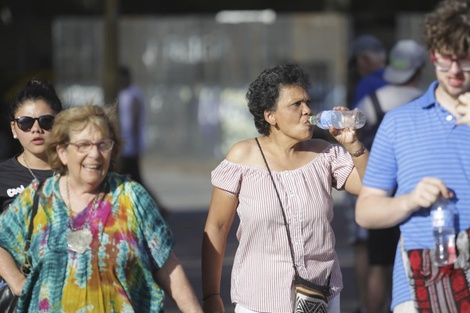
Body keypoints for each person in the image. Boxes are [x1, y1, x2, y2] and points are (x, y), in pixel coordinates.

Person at [0, 104, 203, 313]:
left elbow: (168, 267)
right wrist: (17, 282)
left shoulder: (131, 197)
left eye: (103, 145)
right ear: (61, 151)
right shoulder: (37, 198)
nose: (95, 155)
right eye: (84, 145)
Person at [201, 63, 369, 313]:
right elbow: (216, 228)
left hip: (319, 297)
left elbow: (372, 189)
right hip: (259, 301)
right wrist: (212, 295)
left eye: (308, 102)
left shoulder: (326, 155)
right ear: (270, 116)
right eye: (296, 105)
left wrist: (353, 143)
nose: (308, 110)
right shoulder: (242, 157)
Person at [356, 1, 470, 312]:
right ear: (433, 54)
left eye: (465, 60)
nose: (456, 71)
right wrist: (410, 200)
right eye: (446, 60)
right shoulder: (398, 121)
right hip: (418, 288)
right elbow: (365, 212)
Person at [356, 39, 425, 313]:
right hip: (418, 192)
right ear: (419, 70)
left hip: (381, 192)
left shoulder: (372, 100)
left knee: (378, 262)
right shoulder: (426, 100)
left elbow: (354, 135)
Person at [347, 34, 388, 313]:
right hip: (399, 177)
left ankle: (367, 306)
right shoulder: (400, 82)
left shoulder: (368, 85)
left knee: (364, 246)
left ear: (364, 60)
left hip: (369, 169)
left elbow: (355, 128)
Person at [0, 79, 63, 212]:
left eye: (46, 121)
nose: (36, 129)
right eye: (25, 122)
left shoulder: (77, 171)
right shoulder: (3, 176)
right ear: (13, 129)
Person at [117, 66, 169, 217]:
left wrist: (132, 145)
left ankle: (156, 207)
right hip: (126, 145)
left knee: (136, 180)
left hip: (130, 147)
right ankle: (155, 207)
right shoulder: (122, 94)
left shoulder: (133, 94)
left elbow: (134, 121)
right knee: (135, 180)